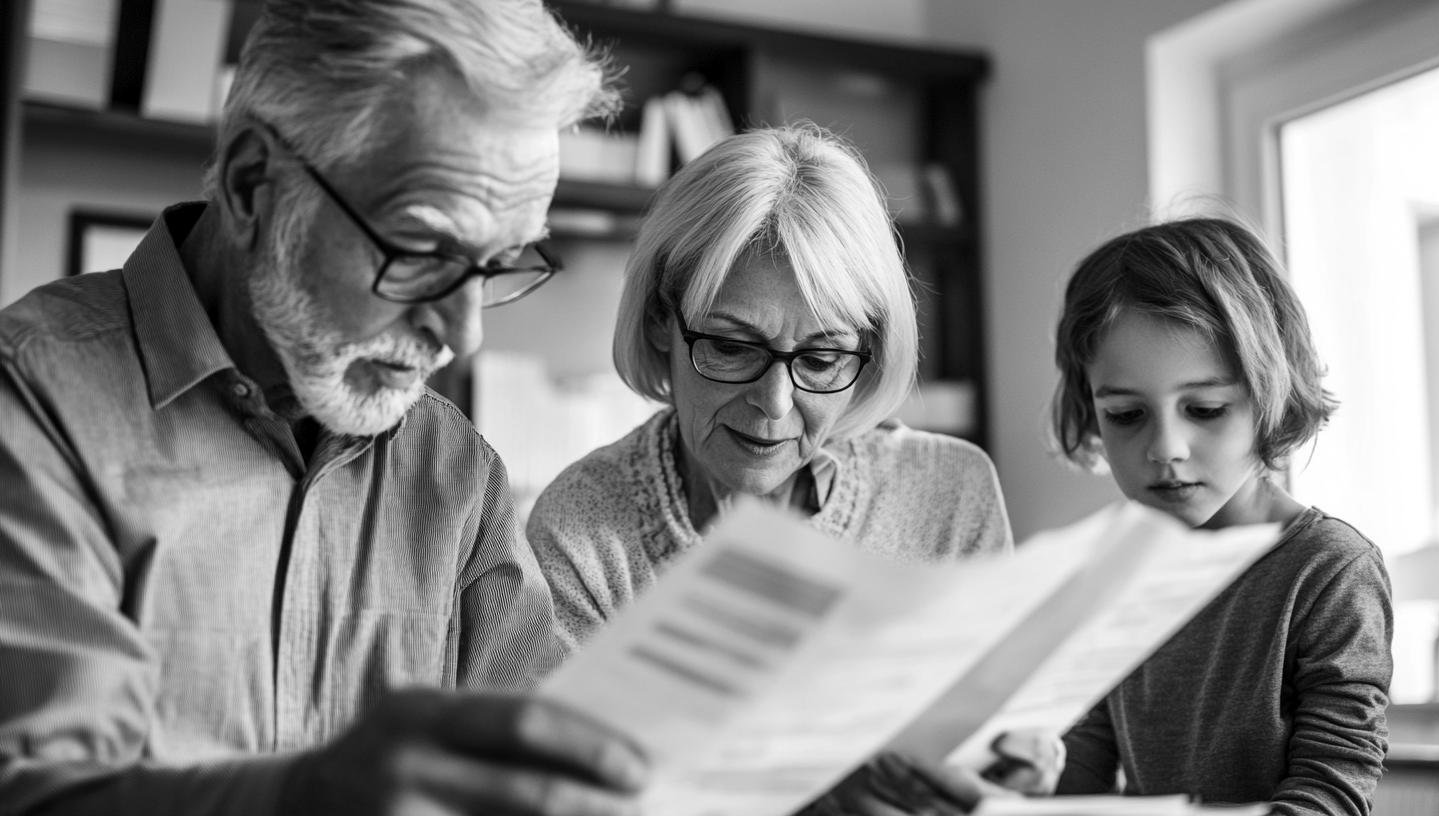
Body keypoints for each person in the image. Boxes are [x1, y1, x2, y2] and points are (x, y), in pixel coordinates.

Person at [0, 1, 649, 814]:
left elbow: (543, 764)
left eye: (497, 264)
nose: (463, 334)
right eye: (420, 252)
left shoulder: (453, 470)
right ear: (252, 186)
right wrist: (303, 798)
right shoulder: (32, 402)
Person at [526, 123, 1028, 815]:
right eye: (732, 347)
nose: (774, 403)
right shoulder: (584, 528)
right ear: (658, 328)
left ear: (871, 356)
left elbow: (989, 746)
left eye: (821, 359)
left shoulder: (947, 491)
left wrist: (1010, 765)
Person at [1047, 216, 1392, 814]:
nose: (1166, 448)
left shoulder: (1328, 570)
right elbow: (1081, 770)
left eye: (1204, 408)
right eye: (1126, 415)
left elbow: (1332, 790)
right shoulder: (1115, 573)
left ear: (1271, 393)